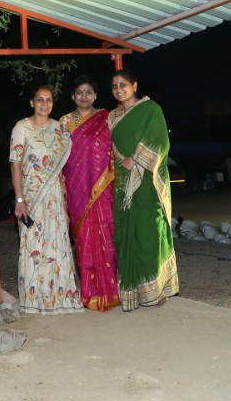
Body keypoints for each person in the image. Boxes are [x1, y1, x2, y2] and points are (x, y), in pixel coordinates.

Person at [108, 69, 178, 311]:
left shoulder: (151, 110)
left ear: (135, 85)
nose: (119, 89)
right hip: (123, 184)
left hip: (147, 182)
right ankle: (133, 293)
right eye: (115, 86)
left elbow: (160, 142)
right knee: (127, 235)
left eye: (123, 84)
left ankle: (157, 290)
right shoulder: (113, 117)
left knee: (149, 234)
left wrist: (136, 159)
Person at [9, 85, 82, 314]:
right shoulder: (22, 127)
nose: (44, 104)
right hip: (31, 197)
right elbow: (15, 165)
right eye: (39, 100)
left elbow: (61, 169)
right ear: (32, 102)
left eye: (48, 100)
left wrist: (66, 202)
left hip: (54, 198)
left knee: (56, 246)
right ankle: (34, 299)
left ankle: (60, 297)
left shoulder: (58, 129)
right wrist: (19, 199)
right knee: (33, 246)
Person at [59, 75, 120, 311]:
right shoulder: (63, 122)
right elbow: (59, 158)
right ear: (73, 96)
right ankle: (89, 292)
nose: (84, 97)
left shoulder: (106, 119)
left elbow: (114, 151)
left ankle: (111, 290)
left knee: (106, 234)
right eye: (79, 92)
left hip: (103, 190)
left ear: (95, 96)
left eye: (88, 92)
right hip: (76, 191)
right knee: (83, 240)